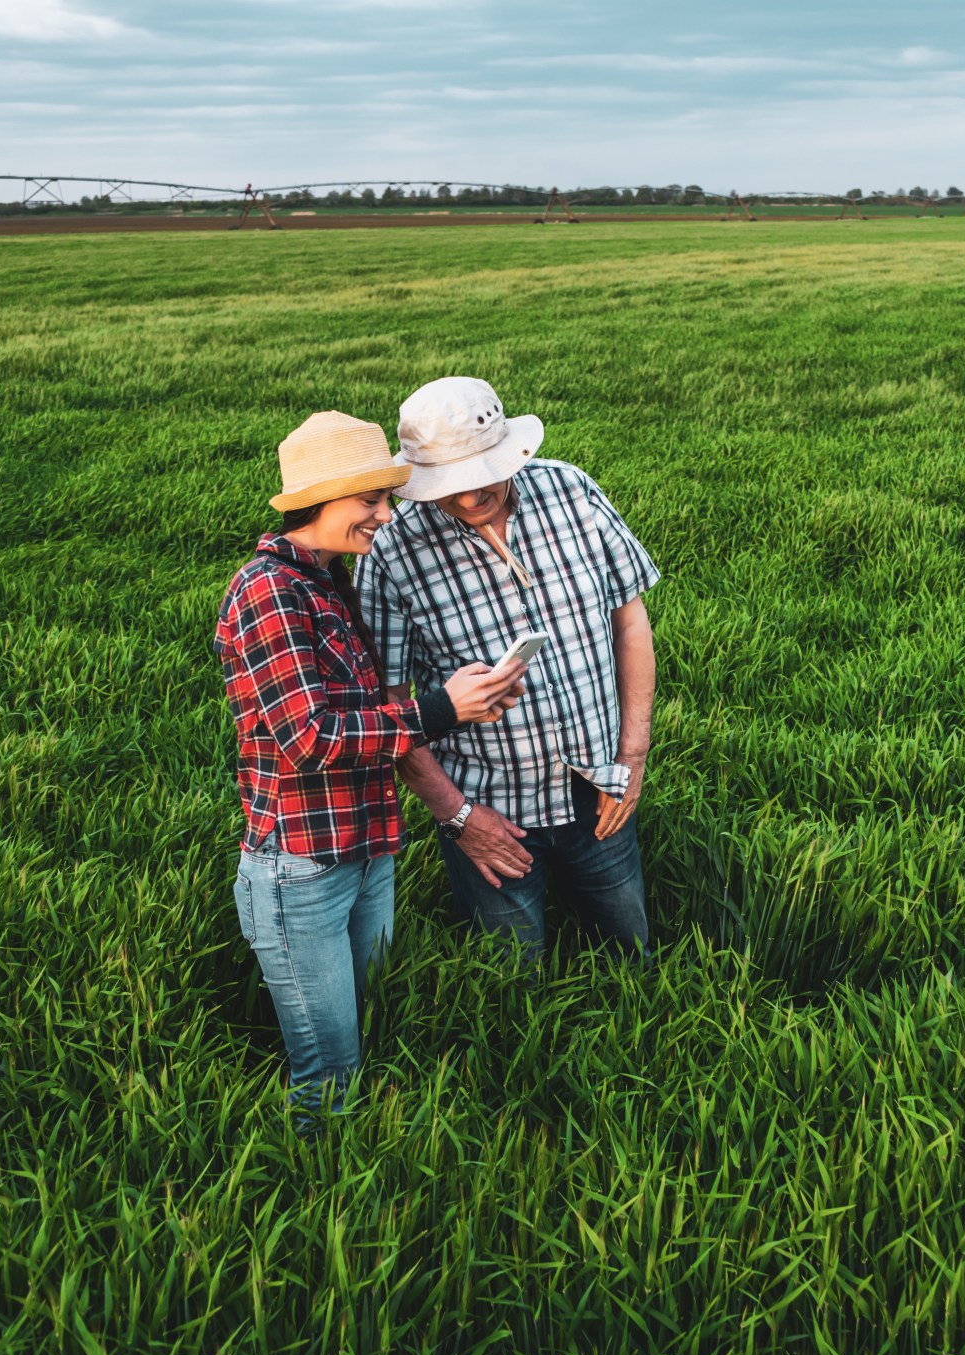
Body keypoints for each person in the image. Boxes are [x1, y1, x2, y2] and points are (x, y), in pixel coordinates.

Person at [215, 410, 524, 1119]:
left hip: (365, 850)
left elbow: (360, 715)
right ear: (318, 500)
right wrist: (439, 711)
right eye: (370, 501)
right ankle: (316, 1199)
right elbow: (310, 738)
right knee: (327, 1071)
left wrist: (467, 697)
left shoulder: (328, 581)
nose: (385, 517)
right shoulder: (270, 591)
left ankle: (370, 1165)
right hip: (302, 869)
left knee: (371, 1033)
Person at [357, 377, 661, 963]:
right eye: (452, 484)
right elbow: (388, 706)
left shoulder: (570, 490)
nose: (471, 497)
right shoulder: (392, 552)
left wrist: (633, 758)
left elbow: (631, 624)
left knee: (632, 956)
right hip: (489, 808)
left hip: (601, 783)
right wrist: (458, 817)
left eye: (483, 475)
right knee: (508, 985)